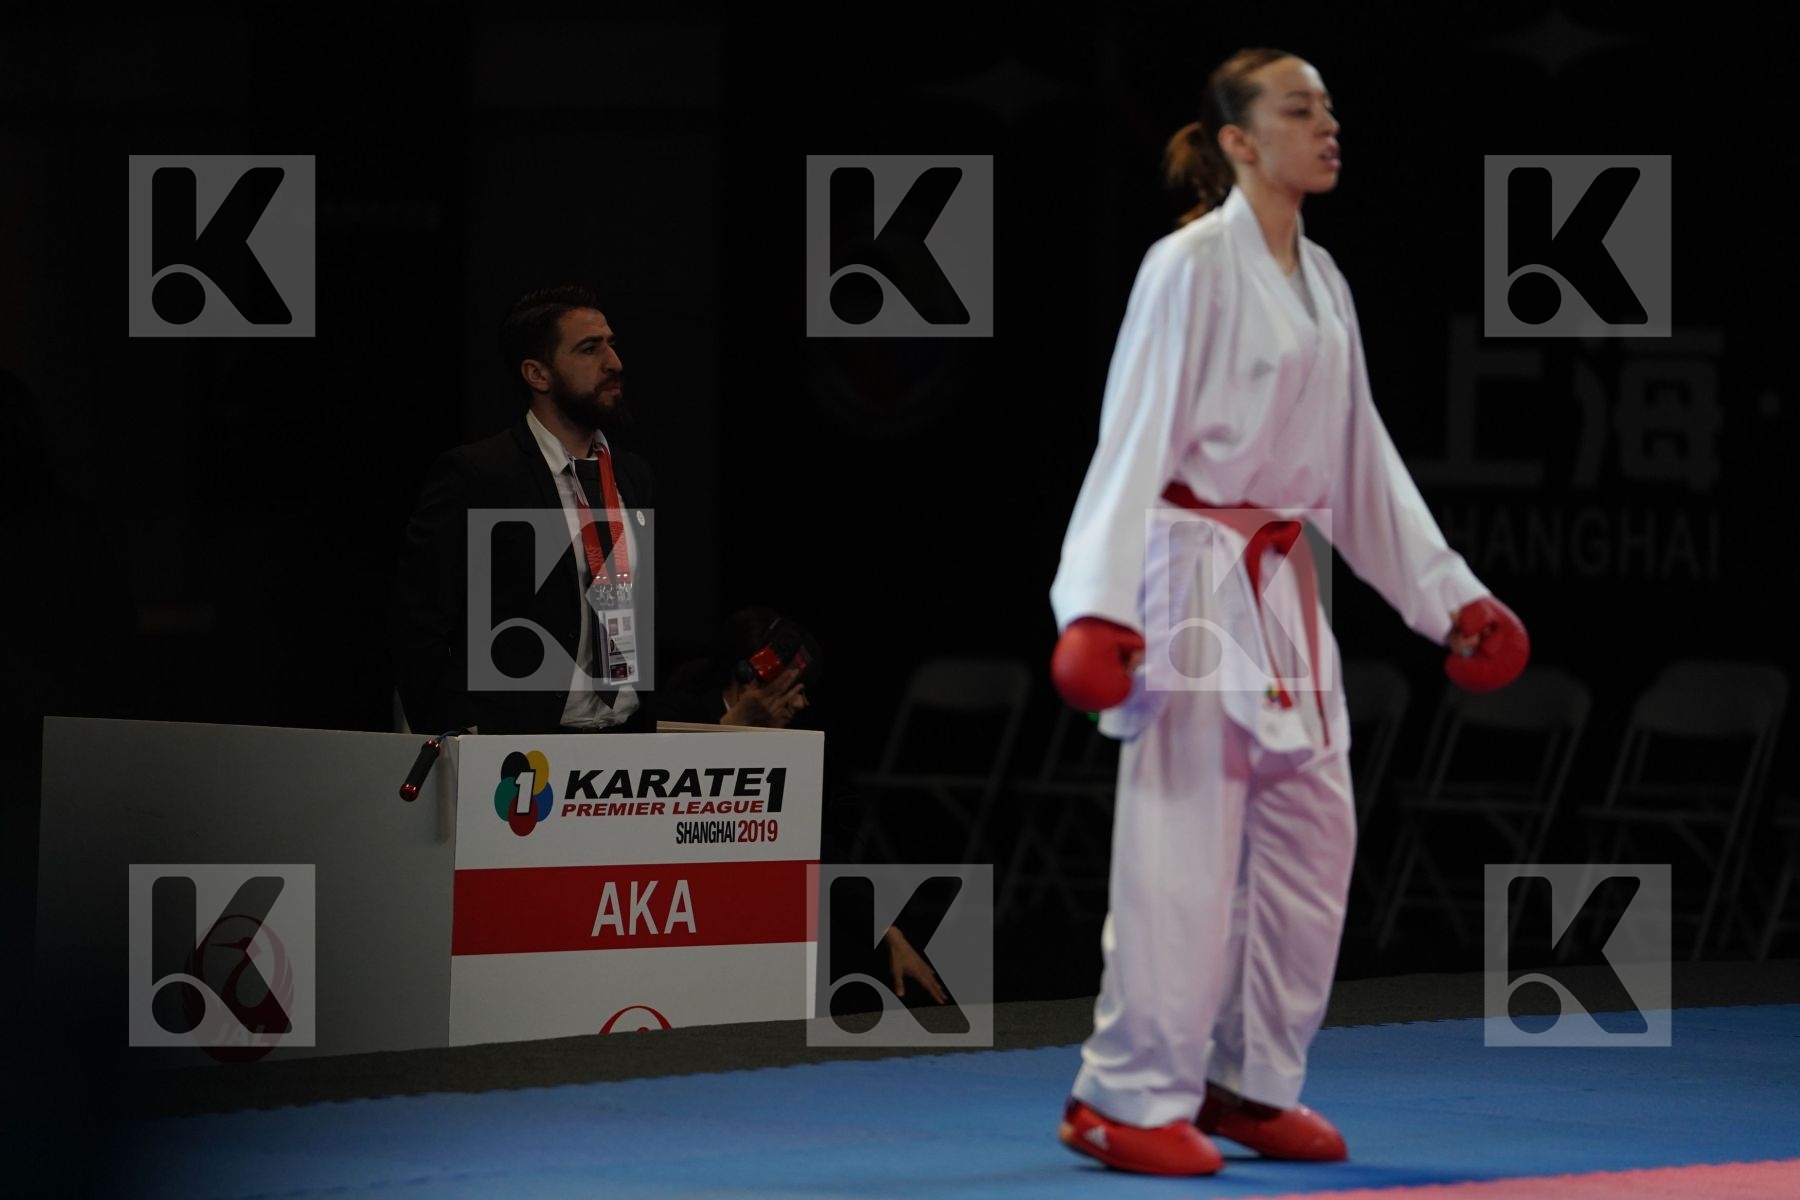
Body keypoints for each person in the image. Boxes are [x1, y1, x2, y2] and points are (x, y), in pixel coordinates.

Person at [1047, 49, 1529, 1177]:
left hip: (1282, 578)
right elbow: (1132, 436)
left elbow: (1361, 464)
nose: (1328, 125)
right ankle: (1119, 1095)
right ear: (1238, 142)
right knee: (1185, 850)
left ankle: (1249, 1083)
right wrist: (1097, 606)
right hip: (1189, 567)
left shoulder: (1324, 279)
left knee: (1313, 838)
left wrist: (1451, 597)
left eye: (1330, 108)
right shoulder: (1188, 266)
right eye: (1298, 108)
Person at [392, 284, 658, 736]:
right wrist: (456, 734)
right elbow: (418, 621)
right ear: (538, 374)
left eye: (611, 345)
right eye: (590, 349)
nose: (614, 363)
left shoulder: (632, 475)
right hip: (514, 748)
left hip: (621, 744)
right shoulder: (480, 473)